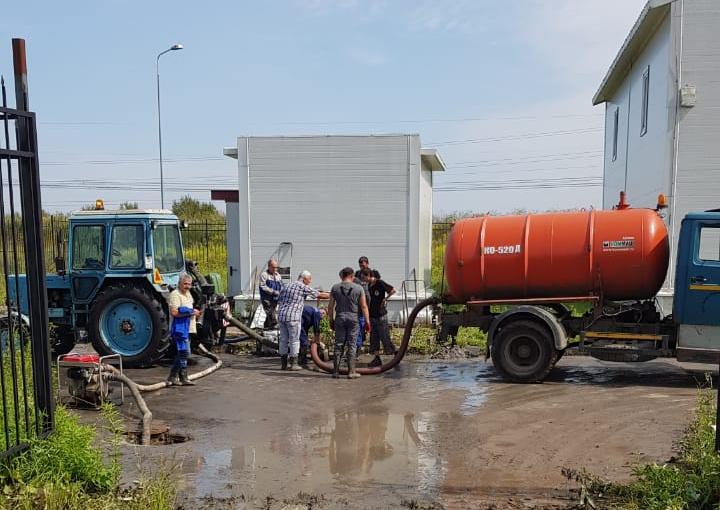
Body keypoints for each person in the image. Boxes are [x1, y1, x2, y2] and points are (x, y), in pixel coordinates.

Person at [277, 271, 329, 371]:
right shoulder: (302, 286)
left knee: (283, 340)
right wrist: (333, 295)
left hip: (282, 315)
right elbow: (319, 294)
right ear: (304, 279)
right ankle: (294, 364)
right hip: (293, 317)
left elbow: (279, 298)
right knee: (294, 340)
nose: (310, 282)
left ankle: (283, 364)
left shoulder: (287, 285)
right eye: (309, 280)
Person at [329, 266, 371, 379]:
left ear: (342, 275)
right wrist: (367, 321)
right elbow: (363, 306)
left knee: (338, 344)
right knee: (352, 345)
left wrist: (330, 320)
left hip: (340, 318)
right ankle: (351, 372)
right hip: (353, 319)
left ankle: (336, 372)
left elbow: (331, 306)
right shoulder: (359, 288)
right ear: (352, 276)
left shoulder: (335, 288)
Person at [166, 273, 202, 386]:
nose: (187, 286)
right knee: (184, 352)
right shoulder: (175, 295)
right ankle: (177, 376)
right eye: (185, 284)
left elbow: (189, 309)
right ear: (180, 283)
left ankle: (178, 377)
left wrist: (195, 313)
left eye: (189, 284)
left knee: (183, 352)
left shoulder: (188, 294)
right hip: (180, 328)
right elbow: (174, 312)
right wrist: (191, 312)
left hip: (189, 328)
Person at [361, 269, 397, 367]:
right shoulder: (369, 286)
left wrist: (385, 299)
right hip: (373, 315)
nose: (363, 280)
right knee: (374, 338)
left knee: (385, 337)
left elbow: (392, 290)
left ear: (369, 275)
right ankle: (377, 358)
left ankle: (395, 354)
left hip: (381, 315)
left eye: (364, 277)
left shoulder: (379, 283)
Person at [259, 258, 283, 330]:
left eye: (276, 267)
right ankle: (275, 325)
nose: (275, 269)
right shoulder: (264, 275)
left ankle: (266, 327)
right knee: (270, 311)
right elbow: (262, 286)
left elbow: (281, 285)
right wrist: (272, 291)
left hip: (275, 298)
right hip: (266, 298)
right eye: (273, 267)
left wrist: (282, 291)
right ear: (269, 266)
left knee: (270, 313)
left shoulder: (278, 275)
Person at [354, 256, 371, 350]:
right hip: (360, 303)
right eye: (360, 265)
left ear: (367, 264)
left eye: (363, 265)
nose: (362, 267)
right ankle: (359, 345)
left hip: (370, 303)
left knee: (369, 324)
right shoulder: (357, 274)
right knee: (360, 324)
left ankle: (370, 345)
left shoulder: (372, 273)